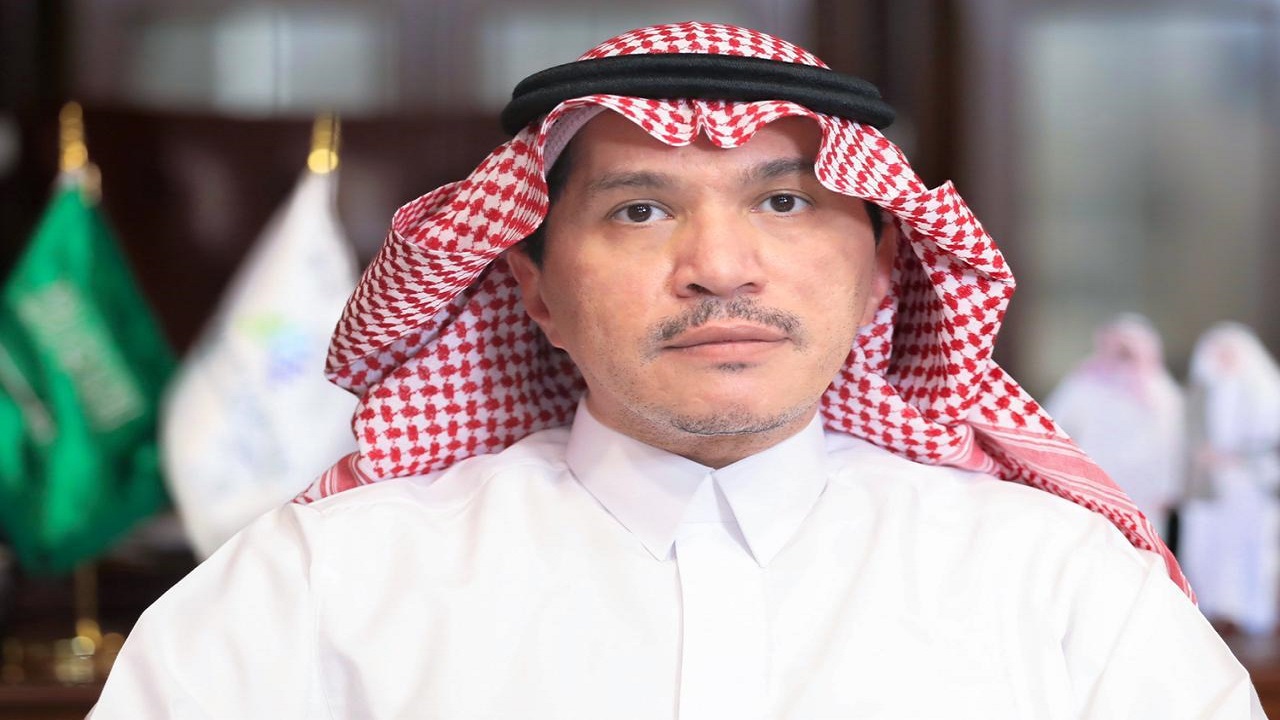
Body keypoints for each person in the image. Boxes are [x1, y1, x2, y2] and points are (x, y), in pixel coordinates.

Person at [90, 22, 1265, 718]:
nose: (718, 266)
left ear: (879, 273)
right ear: (533, 290)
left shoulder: (1060, 586)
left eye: (784, 202)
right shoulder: (320, 587)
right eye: (640, 209)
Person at [1045, 313, 1186, 540]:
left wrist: (1169, 488)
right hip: (1095, 478)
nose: (1122, 353)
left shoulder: (1160, 391)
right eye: (1117, 346)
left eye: (1129, 348)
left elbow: (1174, 442)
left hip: (1144, 484)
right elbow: (1055, 424)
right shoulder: (1084, 381)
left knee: (1141, 543)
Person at [1180, 321, 1280, 637]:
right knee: (1208, 546)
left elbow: (1271, 438)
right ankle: (1213, 610)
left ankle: (1252, 612)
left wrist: (1239, 455)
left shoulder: (1266, 389)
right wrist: (1202, 453)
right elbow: (1187, 434)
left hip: (1252, 484)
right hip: (1209, 486)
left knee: (1251, 547)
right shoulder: (1201, 391)